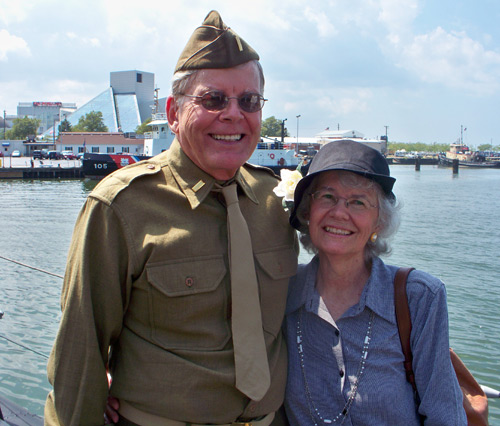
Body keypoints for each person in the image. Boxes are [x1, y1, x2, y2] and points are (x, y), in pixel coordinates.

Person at [44, 10, 297, 425]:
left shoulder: (277, 200)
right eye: (213, 99)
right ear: (174, 113)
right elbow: (81, 349)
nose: (233, 114)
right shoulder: (120, 207)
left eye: (249, 101)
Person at [283, 139, 466, 425]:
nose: (339, 213)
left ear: (379, 222)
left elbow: (446, 415)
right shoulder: (283, 291)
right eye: (327, 197)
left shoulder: (419, 296)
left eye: (358, 202)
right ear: (307, 211)